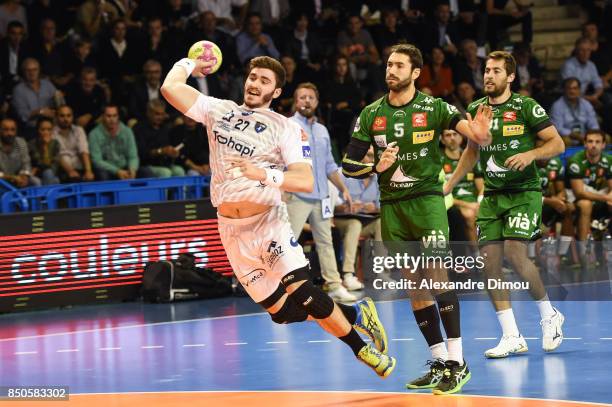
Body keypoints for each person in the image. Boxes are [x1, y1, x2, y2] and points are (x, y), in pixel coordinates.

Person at [160, 54, 396, 377]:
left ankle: (362, 349)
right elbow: (169, 87)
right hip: (231, 231)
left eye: (264, 81)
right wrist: (190, 63)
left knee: (302, 290)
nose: (255, 84)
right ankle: (356, 315)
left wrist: (263, 174)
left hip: (268, 223)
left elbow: (305, 180)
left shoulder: (285, 128)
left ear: (276, 92)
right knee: (282, 313)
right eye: (252, 77)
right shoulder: (220, 110)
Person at [342, 43, 493, 395]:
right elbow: (349, 165)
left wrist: (481, 134)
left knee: (437, 276)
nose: (391, 70)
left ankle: (457, 362)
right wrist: (373, 167)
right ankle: (439, 361)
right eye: (388, 64)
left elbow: (473, 134)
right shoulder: (371, 114)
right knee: (416, 285)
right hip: (393, 208)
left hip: (427, 204)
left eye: (399, 65)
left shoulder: (434, 106)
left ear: (414, 73)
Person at [444, 51, 566, 360]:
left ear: (510, 77)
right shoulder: (476, 109)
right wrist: (450, 183)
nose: (488, 76)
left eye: (496, 71)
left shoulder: (525, 106)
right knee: (489, 264)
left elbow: (557, 144)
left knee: (514, 252)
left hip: (524, 192)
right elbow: (472, 151)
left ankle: (548, 314)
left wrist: (531, 154)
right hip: (493, 197)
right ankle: (512, 335)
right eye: (486, 70)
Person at [286, 82, 358, 300]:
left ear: (316, 102)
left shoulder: (321, 130)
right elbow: (279, 162)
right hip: (296, 195)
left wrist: (343, 188)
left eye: (311, 97)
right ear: (295, 102)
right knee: (288, 243)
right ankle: (282, 289)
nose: (306, 101)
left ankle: (334, 286)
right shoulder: (287, 126)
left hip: (321, 197)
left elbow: (329, 164)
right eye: (302, 97)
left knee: (326, 242)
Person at [333, 146, 383, 286]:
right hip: (340, 221)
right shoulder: (342, 174)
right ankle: (349, 275)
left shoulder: (379, 178)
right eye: (368, 155)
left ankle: (381, 274)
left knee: (381, 223)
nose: (371, 160)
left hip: (366, 221)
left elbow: (383, 208)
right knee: (354, 223)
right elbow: (328, 205)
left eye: (373, 156)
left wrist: (373, 208)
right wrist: (344, 207)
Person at [567, 130, 612, 273]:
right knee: (586, 205)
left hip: (599, 192)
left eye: (598, 142)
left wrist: (610, 197)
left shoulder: (608, 161)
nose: (594, 145)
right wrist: (606, 198)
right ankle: (586, 251)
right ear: (585, 144)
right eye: (590, 141)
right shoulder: (576, 160)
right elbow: (579, 192)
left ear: (604, 145)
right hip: (576, 196)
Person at [441, 129, 484, 248]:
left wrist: (479, 202)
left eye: (455, 134)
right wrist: (467, 205)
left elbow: (481, 186)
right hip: (453, 202)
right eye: (448, 135)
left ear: (461, 137)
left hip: (474, 202)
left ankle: (493, 257)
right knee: (470, 215)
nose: (452, 138)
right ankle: (476, 257)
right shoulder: (439, 160)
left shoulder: (471, 157)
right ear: (443, 140)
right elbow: (441, 192)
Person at [88, 104, 140, 181]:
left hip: (126, 168)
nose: (112, 119)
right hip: (107, 170)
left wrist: (132, 169)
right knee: (102, 175)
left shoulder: (127, 131)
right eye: (108, 116)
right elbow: (97, 161)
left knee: (147, 174)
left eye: (114, 116)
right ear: (102, 117)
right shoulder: (94, 134)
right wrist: (117, 171)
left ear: (118, 116)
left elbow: (133, 156)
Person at [550, 77, 600, 146]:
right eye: (569, 88)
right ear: (564, 90)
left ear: (579, 90)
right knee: (566, 140)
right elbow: (558, 128)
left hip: (585, 136)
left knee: (606, 138)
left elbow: (594, 124)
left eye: (575, 88)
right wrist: (574, 135)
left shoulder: (586, 104)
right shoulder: (557, 106)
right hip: (568, 137)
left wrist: (591, 135)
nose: (572, 91)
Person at [53, 105, 94, 182]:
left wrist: (88, 171)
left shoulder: (79, 130)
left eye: (69, 116)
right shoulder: (52, 133)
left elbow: (84, 151)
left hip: (79, 168)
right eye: (62, 116)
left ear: (72, 117)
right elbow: (57, 155)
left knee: (90, 176)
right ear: (56, 117)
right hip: (62, 170)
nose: (66, 119)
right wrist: (70, 171)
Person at [0, 117, 40, 187]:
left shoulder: (20, 142)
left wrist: (24, 176)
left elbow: (26, 163)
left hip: (18, 178)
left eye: (12, 130)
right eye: (6, 130)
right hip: (2, 180)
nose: (10, 133)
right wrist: (11, 177)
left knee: (35, 181)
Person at [28, 116, 60, 185]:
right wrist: (44, 146)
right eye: (42, 129)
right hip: (35, 175)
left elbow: (54, 166)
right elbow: (37, 161)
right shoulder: (31, 144)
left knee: (51, 176)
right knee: (39, 180)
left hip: (50, 174)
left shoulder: (55, 143)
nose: (46, 132)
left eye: (49, 129)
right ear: (37, 130)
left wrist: (45, 147)